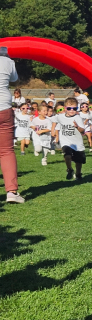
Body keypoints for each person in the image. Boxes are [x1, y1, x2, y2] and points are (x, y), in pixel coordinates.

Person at [0, 48, 24, 203]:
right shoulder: (8, 61)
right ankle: (12, 191)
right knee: (6, 151)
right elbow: (15, 80)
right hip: (3, 107)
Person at [53, 97, 86, 180]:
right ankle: (70, 169)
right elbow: (54, 121)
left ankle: (78, 174)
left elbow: (82, 130)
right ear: (65, 108)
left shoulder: (77, 118)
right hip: (66, 141)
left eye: (74, 108)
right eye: (69, 108)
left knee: (79, 161)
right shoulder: (60, 117)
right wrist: (53, 130)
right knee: (67, 155)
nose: (71, 110)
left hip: (77, 143)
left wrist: (77, 127)